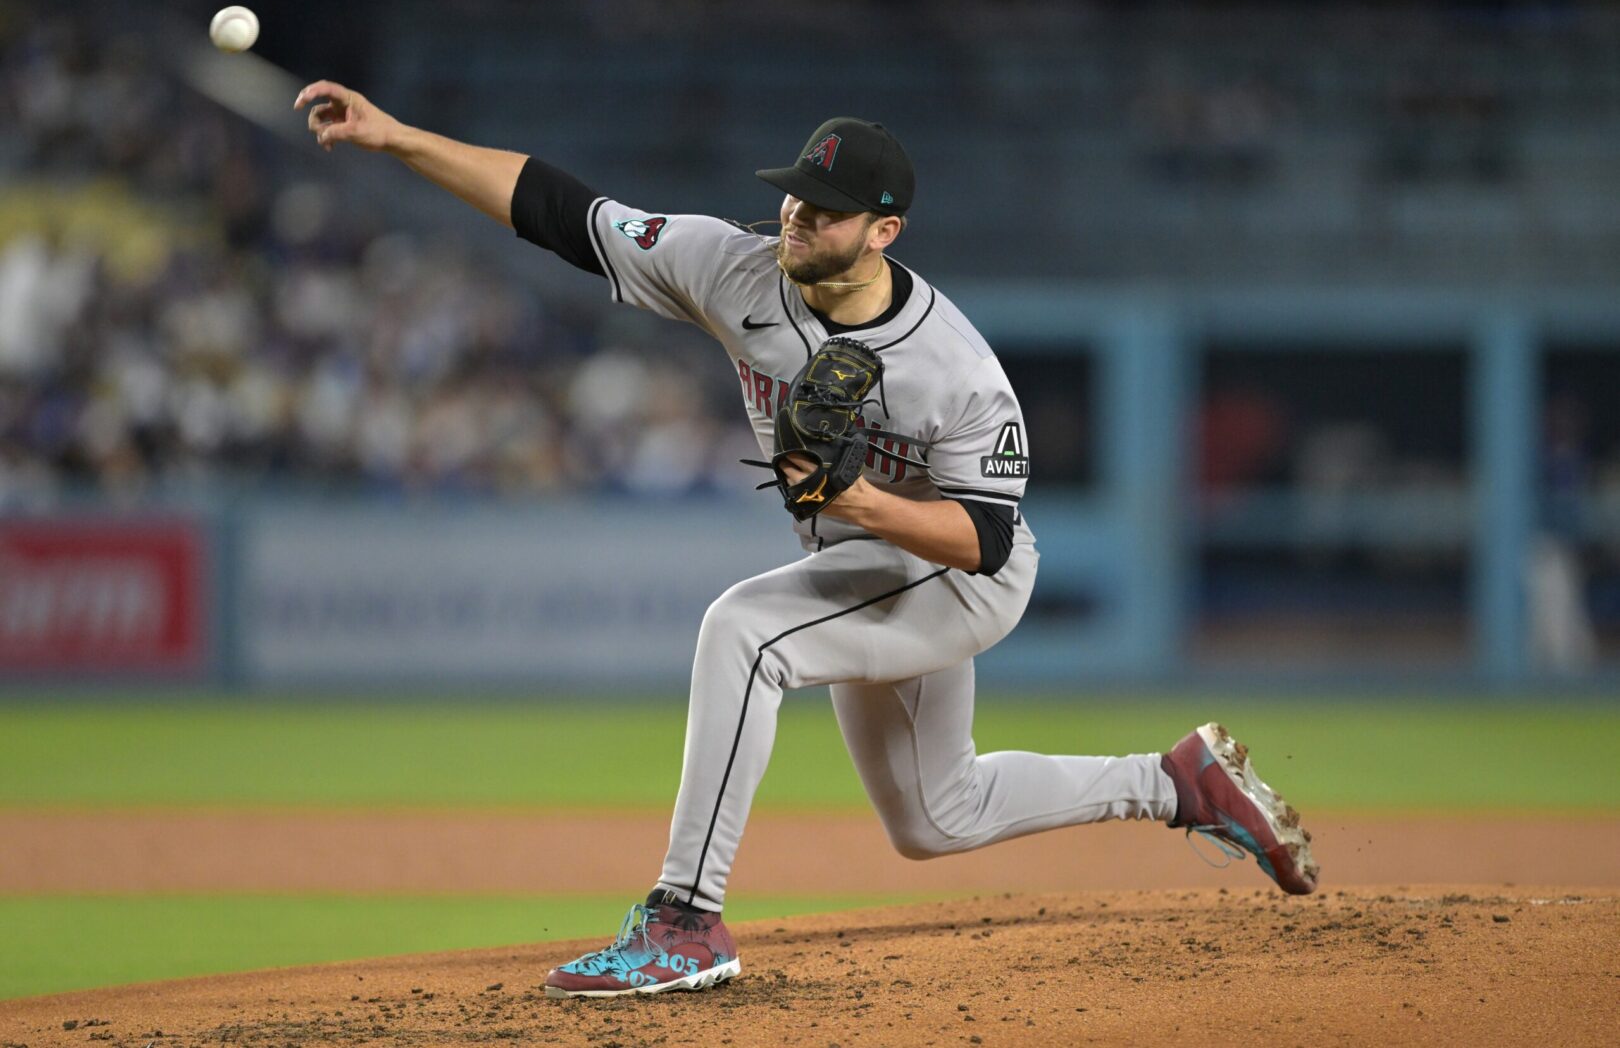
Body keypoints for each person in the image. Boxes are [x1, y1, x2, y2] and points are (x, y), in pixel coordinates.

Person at [294, 80, 1319, 999]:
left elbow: (990, 544)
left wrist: (859, 498)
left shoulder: (953, 368)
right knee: (935, 818)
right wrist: (395, 139)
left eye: (823, 209)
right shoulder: (733, 267)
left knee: (743, 632)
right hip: (864, 565)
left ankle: (685, 921)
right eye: (793, 193)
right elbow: (559, 210)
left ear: (884, 230)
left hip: (952, 573)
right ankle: (1178, 781)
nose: (796, 215)